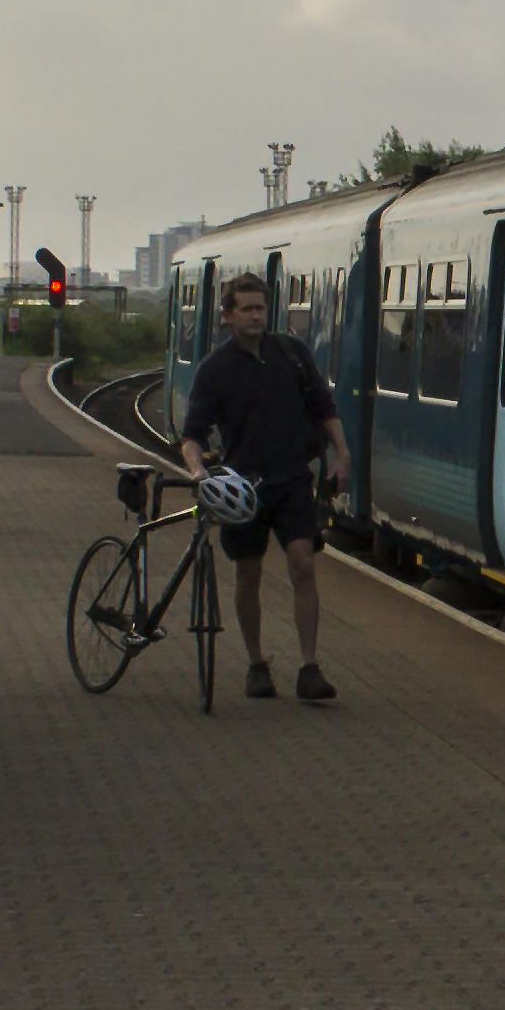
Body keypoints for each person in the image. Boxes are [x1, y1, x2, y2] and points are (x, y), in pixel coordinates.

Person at [179, 273, 345, 702]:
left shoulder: (291, 354)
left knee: (302, 564)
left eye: (260, 308)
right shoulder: (214, 370)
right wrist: (198, 471)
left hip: (293, 480)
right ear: (228, 315)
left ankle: (309, 667)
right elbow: (193, 434)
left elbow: (325, 408)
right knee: (248, 573)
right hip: (243, 488)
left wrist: (343, 454)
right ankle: (256, 663)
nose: (256, 316)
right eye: (246, 309)